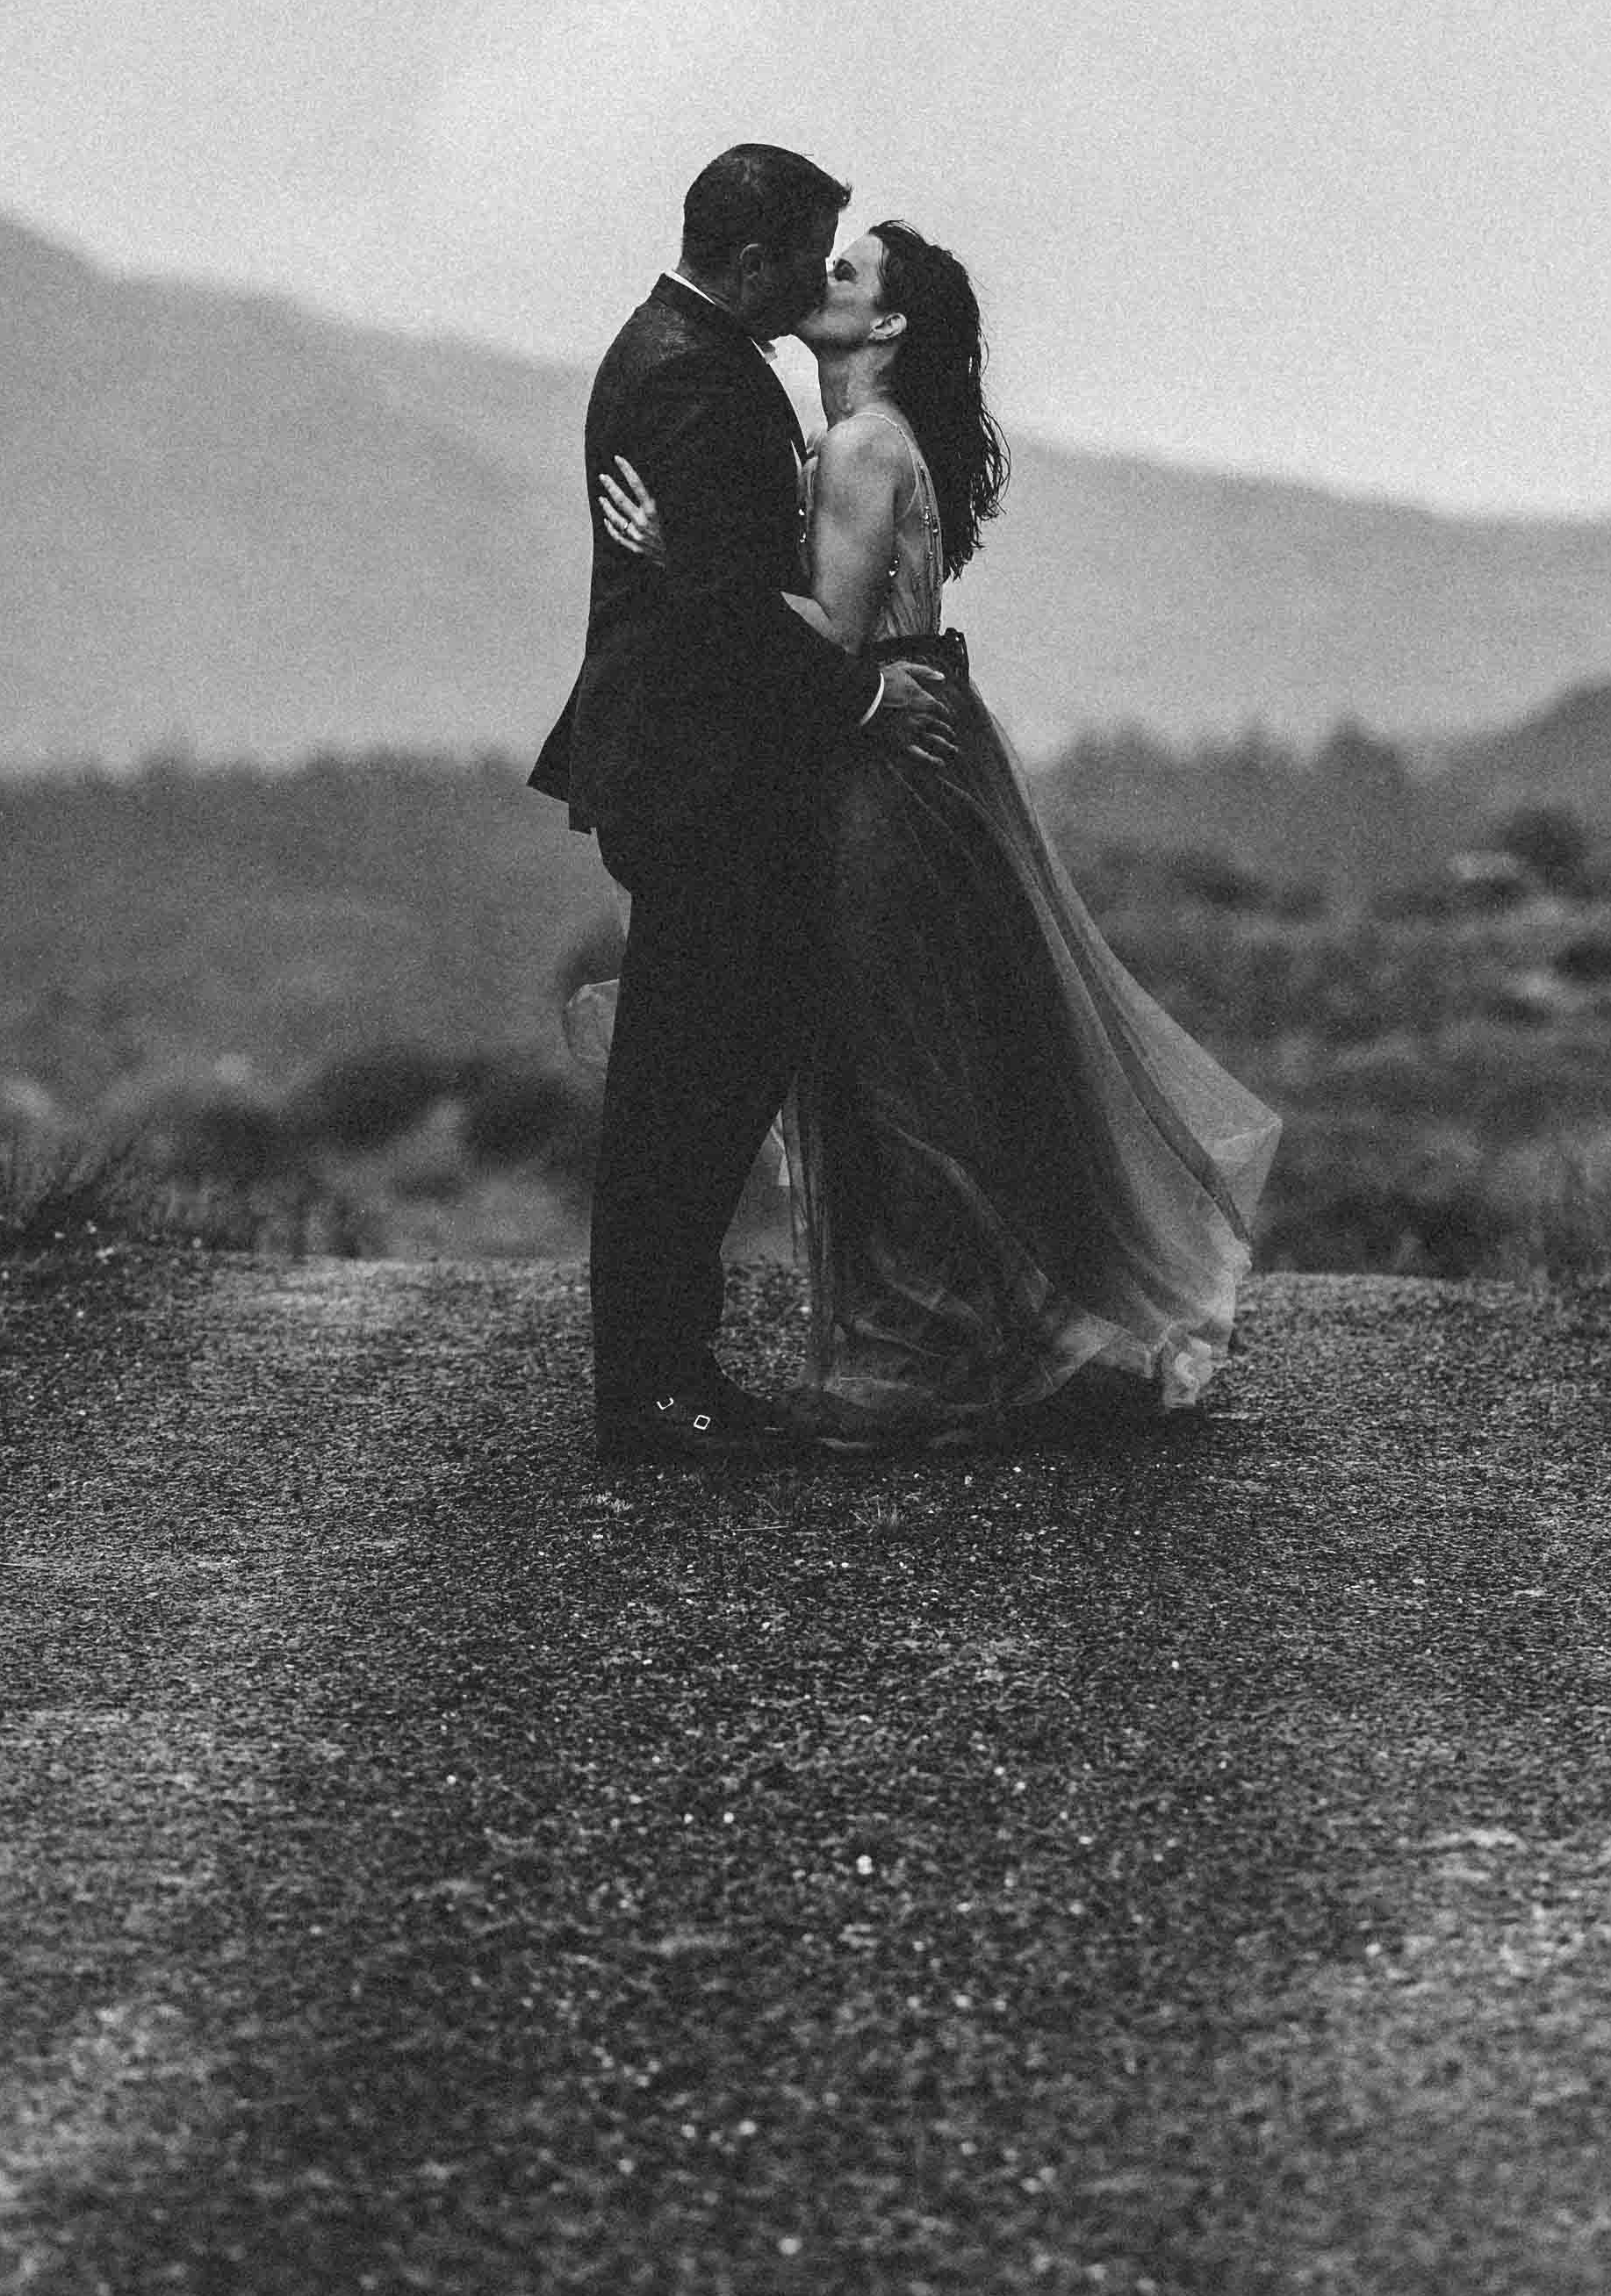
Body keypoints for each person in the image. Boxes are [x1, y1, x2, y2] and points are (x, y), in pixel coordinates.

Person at [595, 217, 1279, 1445]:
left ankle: (942, 1349)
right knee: (911, 1051)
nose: (823, 279)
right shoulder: (858, 440)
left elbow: (834, 637)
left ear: (892, 324)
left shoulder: (862, 446)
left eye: (848, 274)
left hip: (880, 775)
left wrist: (676, 557)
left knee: (895, 1062)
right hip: (897, 754)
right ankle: (952, 1335)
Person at [529, 146, 948, 1466]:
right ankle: (653, 1387)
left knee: (698, 1080)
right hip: (699, 781)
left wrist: (694, 569)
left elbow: (719, 579)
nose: (814, 281)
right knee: (686, 1090)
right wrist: (859, 703)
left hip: (698, 774)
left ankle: (665, 1372)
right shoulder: (692, 379)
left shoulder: (688, 358)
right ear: (754, 257)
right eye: (810, 252)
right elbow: (723, 612)